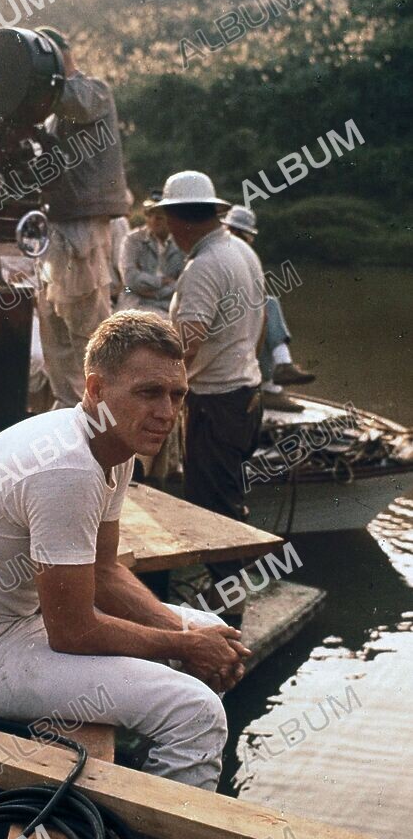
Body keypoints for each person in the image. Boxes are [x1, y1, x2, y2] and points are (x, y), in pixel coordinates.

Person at [0, 310, 250, 839]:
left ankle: (158, 805)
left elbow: (103, 570)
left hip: (18, 622)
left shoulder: (109, 446)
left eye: (176, 394)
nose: (166, 411)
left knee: (215, 628)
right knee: (196, 713)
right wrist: (179, 647)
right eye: (147, 392)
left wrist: (188, 637)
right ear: (94, 389)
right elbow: (74, 631)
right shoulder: (66, 467)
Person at [164, 172, 265, 627]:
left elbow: (187, 341)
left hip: (215, 402)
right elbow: (258, 327)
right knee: (228, 498)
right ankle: (226, 592)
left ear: (176, 219)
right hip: (244, 393)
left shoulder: (204, 265)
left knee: (211, 507)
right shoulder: (241, 250)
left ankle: (228, 607)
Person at [34, 27, 130, 408]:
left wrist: (42, 73)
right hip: (54, 226)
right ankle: (68, 406)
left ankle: (106, 411)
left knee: (88, 326)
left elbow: (77, 102)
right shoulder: (51, 110)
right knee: (53, 326)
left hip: (81, 225)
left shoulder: (93, 90)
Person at [221, 205, 315, 412]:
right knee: (266, 306)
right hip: (216, 316)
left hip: (236, 311)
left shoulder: (245, 257)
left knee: (264, 313)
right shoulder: (218, 253)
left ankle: (275, 380)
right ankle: (278, 374)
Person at [119, 190, 186, 314]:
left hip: (168, 306)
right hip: (135, 303)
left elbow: (184, 285)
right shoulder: (133, 240)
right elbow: (130, 279)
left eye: (159, 216)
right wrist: (162, 281)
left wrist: (150, 291)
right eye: (149, 214)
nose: (153, 220)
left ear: (171, 217)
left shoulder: (182, 242)